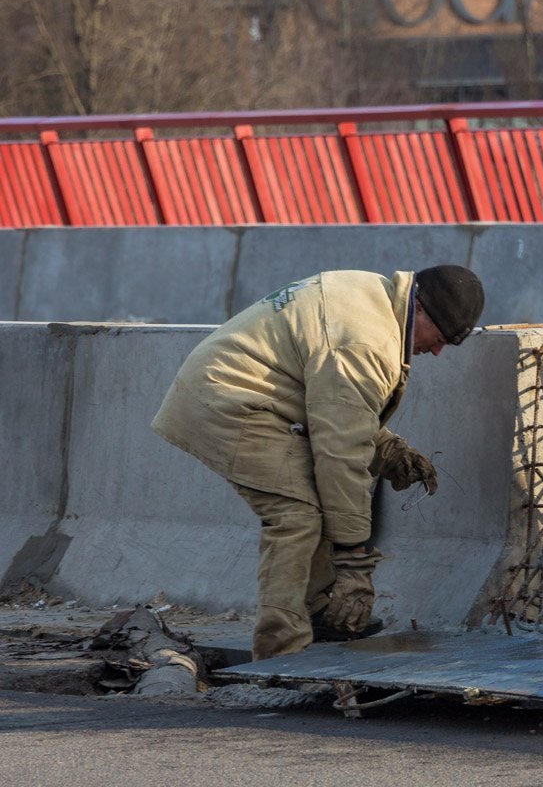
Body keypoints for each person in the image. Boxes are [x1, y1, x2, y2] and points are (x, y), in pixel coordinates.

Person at [152, 265, 484, 661]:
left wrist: (388, 450)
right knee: (297, 514)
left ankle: (315, 611)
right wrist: (354, 560)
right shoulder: (367, 342)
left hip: (238, 390)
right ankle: (281, 652)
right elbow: (340, 455)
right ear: (421, 309)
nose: (436, 351)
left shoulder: (370, 292)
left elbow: (332, 407)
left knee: (314, 494)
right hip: (228, 401)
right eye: (440, 339)